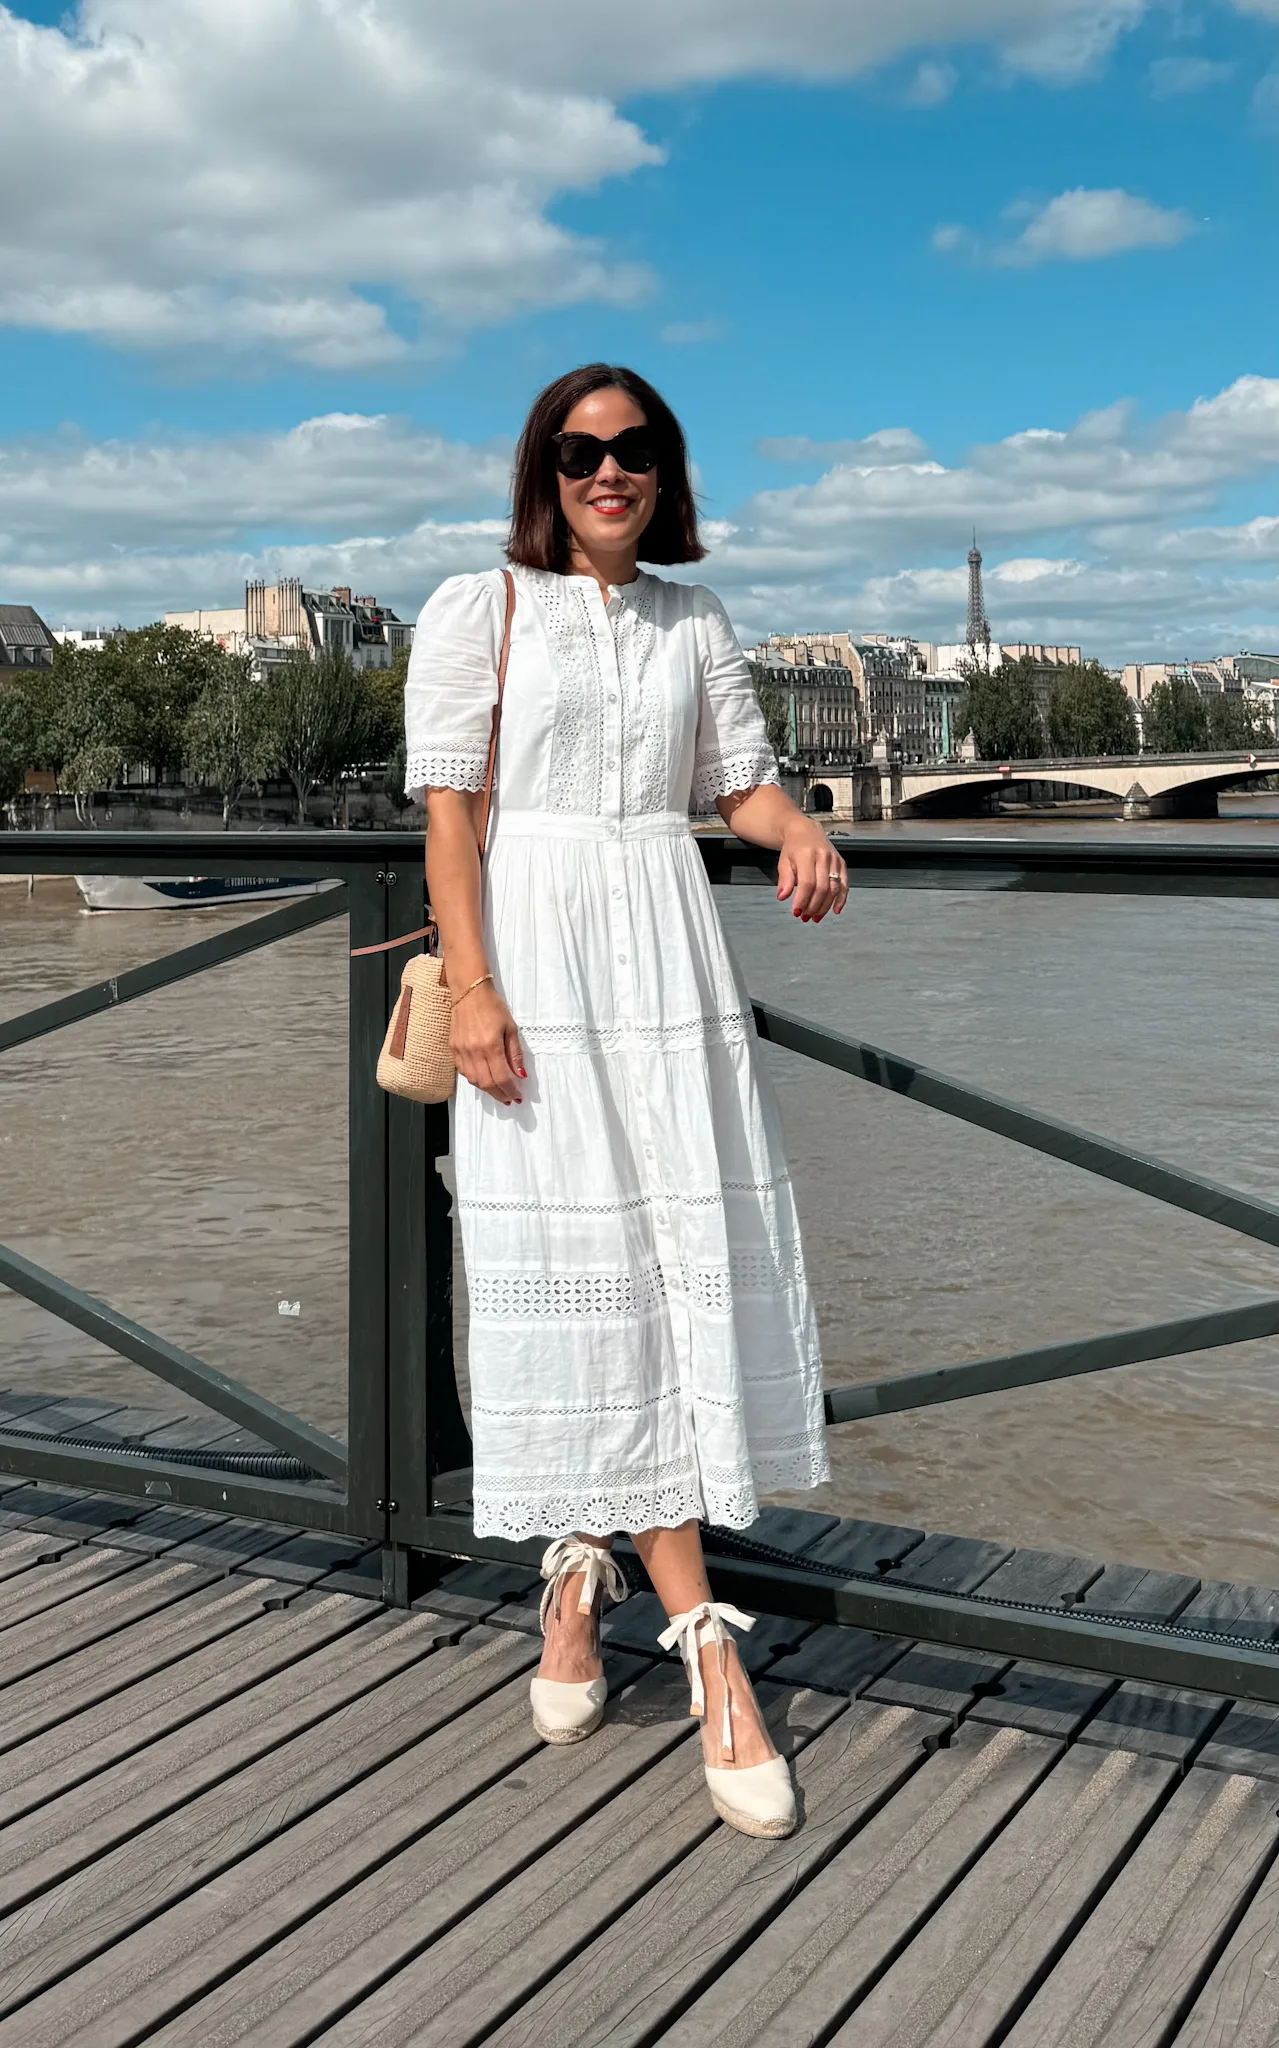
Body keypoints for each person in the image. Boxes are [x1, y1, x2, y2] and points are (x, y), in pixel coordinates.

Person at [405, 363, 847, 1839]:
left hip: (665, 962)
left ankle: (572, 1587)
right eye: (584, 450)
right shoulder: (479, 609)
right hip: (532, 961)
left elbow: (739, 782)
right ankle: (709, 1645)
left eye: (636, 450)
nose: (610, 471)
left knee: (665, 1277)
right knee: (581, 1285)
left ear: (666, 473)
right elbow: (453, 813)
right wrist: (472, 987)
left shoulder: (694, 619)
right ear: (545, 467)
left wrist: (800, 835)